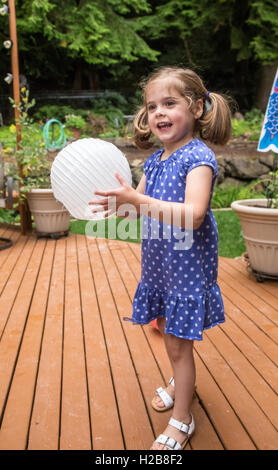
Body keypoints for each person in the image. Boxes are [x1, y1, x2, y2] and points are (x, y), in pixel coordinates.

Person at [89, 66, 232, 450]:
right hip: (161, 265)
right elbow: (136, 210)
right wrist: (118, 205)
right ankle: (178, 381)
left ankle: (182, 420)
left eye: (170, 103)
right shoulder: (154, 161)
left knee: (176, 344)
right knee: (170, 335)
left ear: (198, 107)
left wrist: (138, 200)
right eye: (152, 106)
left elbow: (194, 213)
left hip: (186, 265)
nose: (159, 113)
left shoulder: (197, 158)